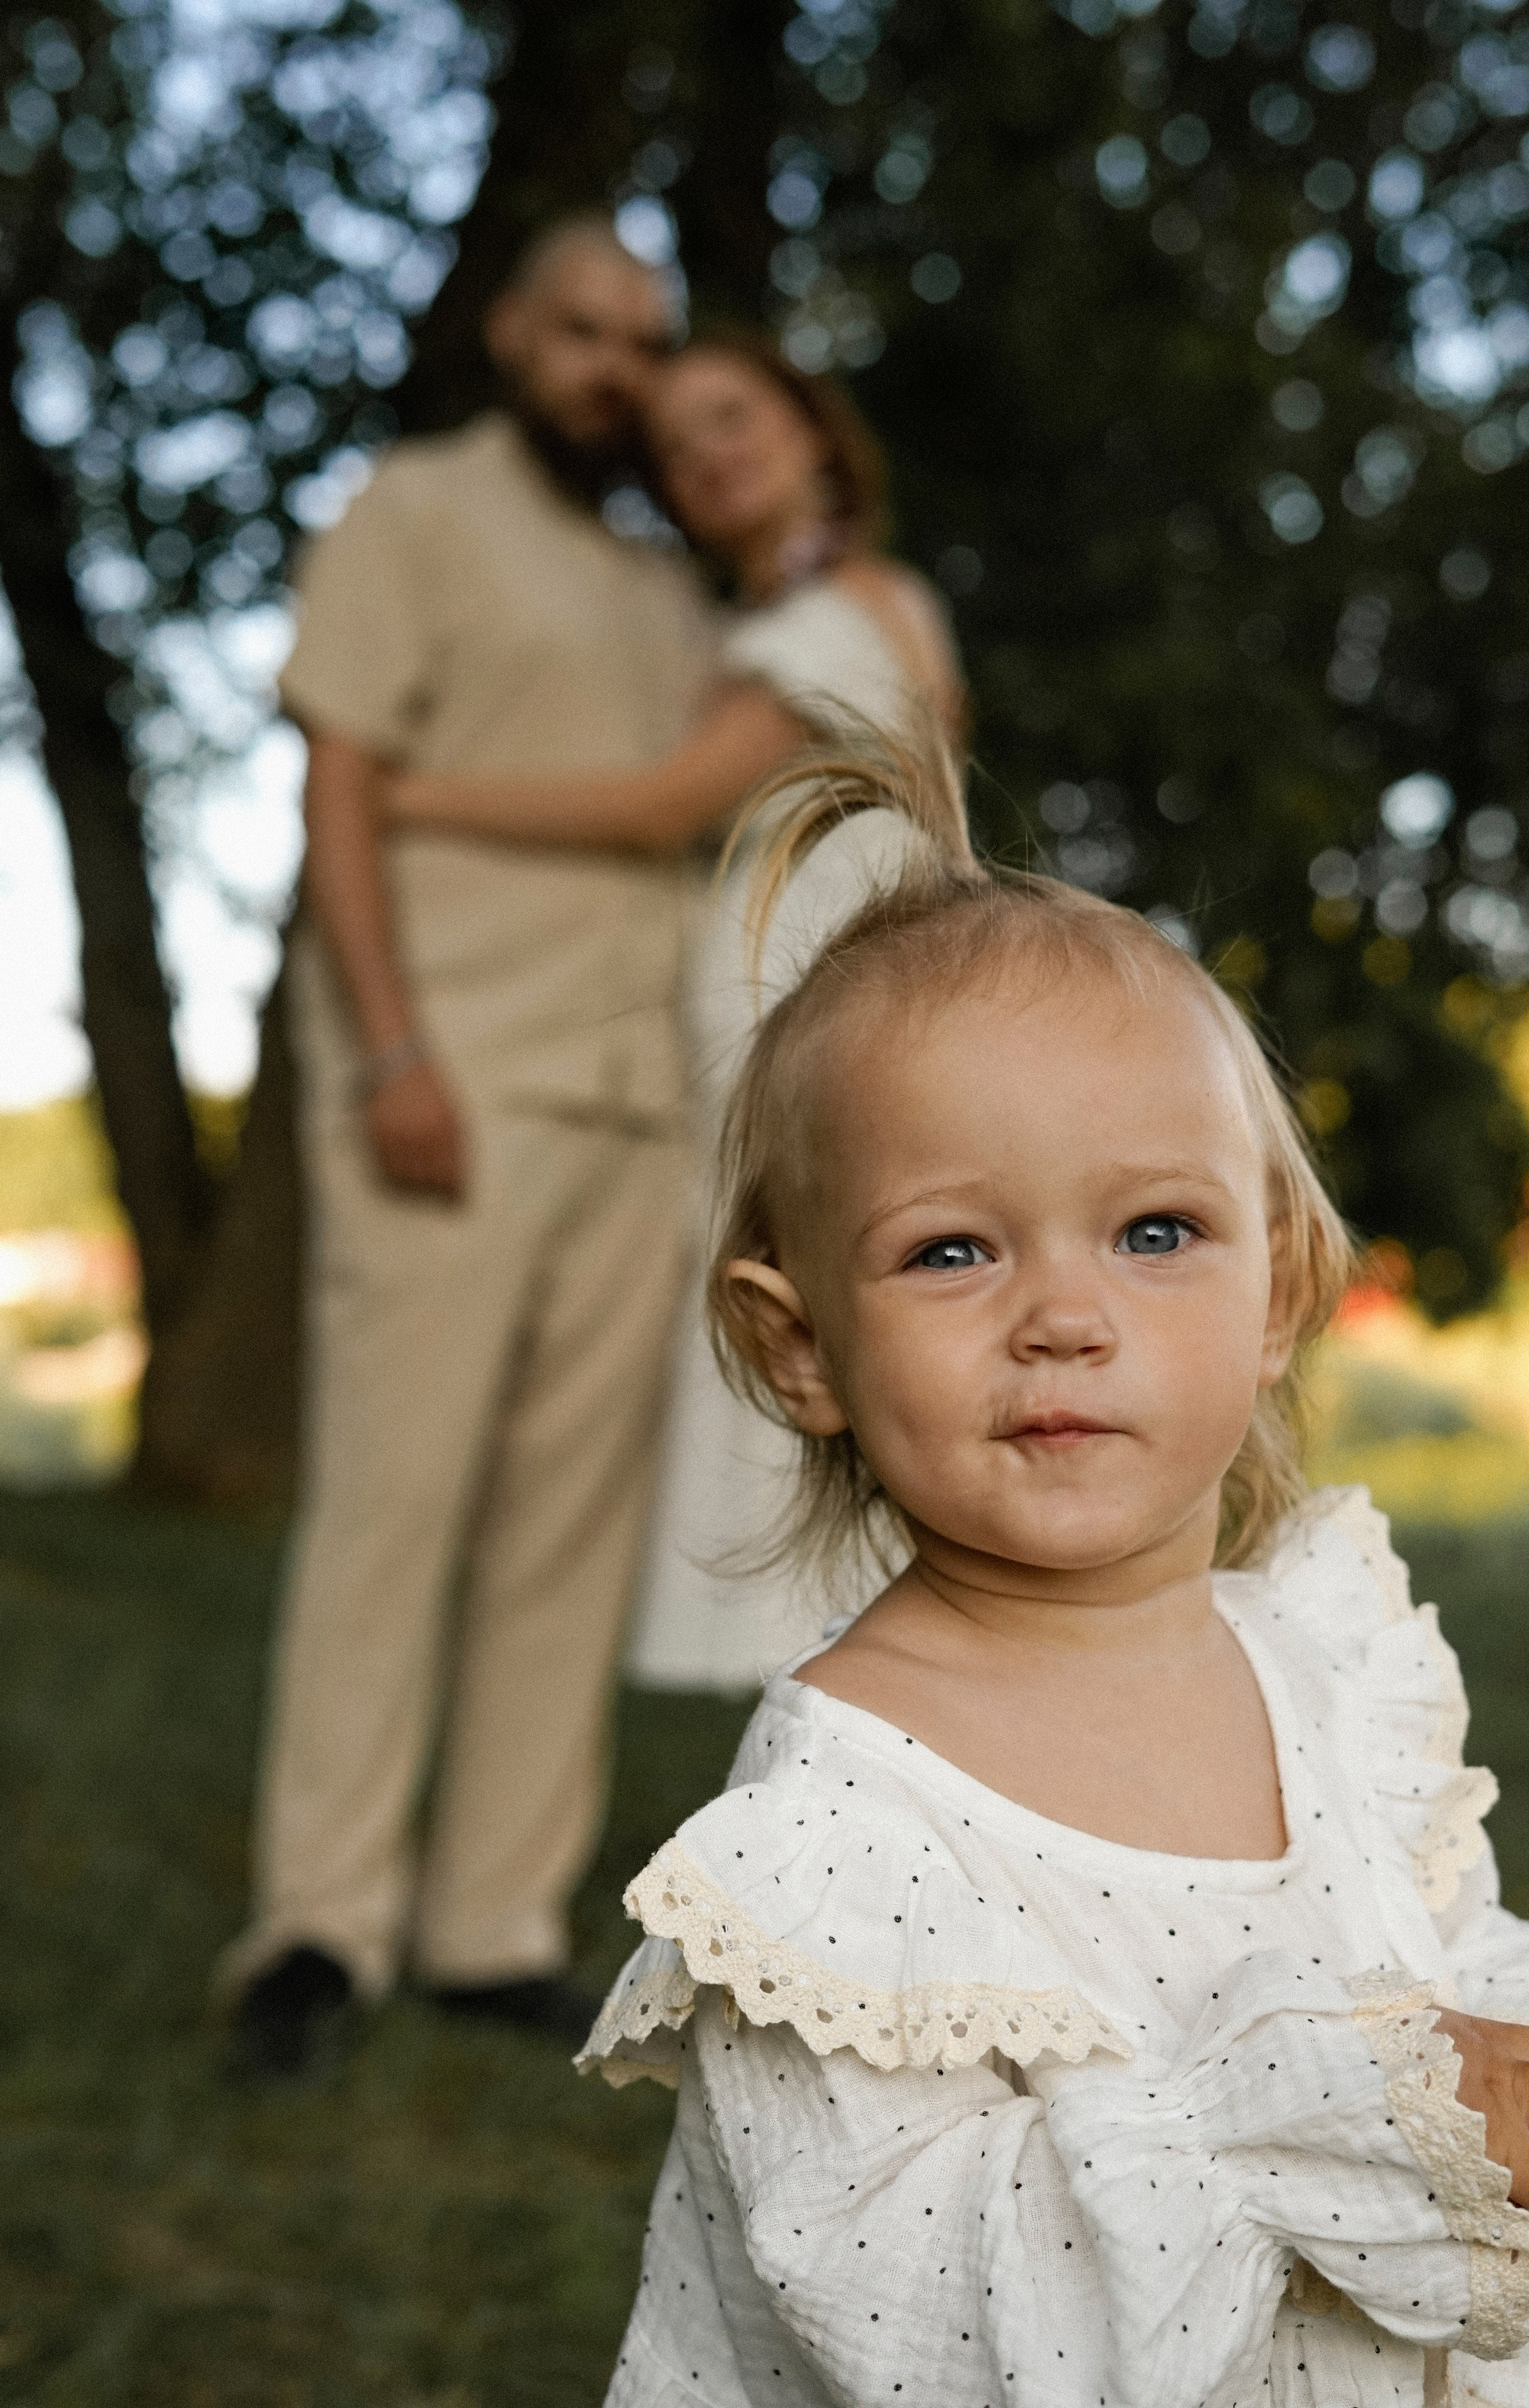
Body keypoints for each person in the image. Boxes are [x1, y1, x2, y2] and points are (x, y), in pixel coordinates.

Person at [577, 745, 1529, 2404]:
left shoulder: (1327, 1668)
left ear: (1280, 1293)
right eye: (953, 1250)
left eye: (1153, 1232)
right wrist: (1310, 2116)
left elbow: (1444, 1954)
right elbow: (910, 2320)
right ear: (803, 1348)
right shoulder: (835, 1839)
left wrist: (1524, 2082)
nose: (1065, 1314)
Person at [221, 215, 716, 2077]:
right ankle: (317, 1930)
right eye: (582, 328)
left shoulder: (677, 595)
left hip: (631, 1100)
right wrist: (393, 1050)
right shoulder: (412, 512)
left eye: (642, 340)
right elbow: (338, 786)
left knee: (564, 1536)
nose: (614, 365)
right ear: (512, 335)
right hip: (451, 1076)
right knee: (391, 1507)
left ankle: (491, 1925)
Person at [384, 332, 965, 1691]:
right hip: (801, 1026)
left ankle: (851, 1708)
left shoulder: (838, 614)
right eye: (675, 447)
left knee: (820, 1328)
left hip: (816, 1035)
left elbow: (658, 805)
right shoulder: (821, 617)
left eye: (730, 416)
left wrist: (408, 796)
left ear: (813, 432)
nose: (705, 452)